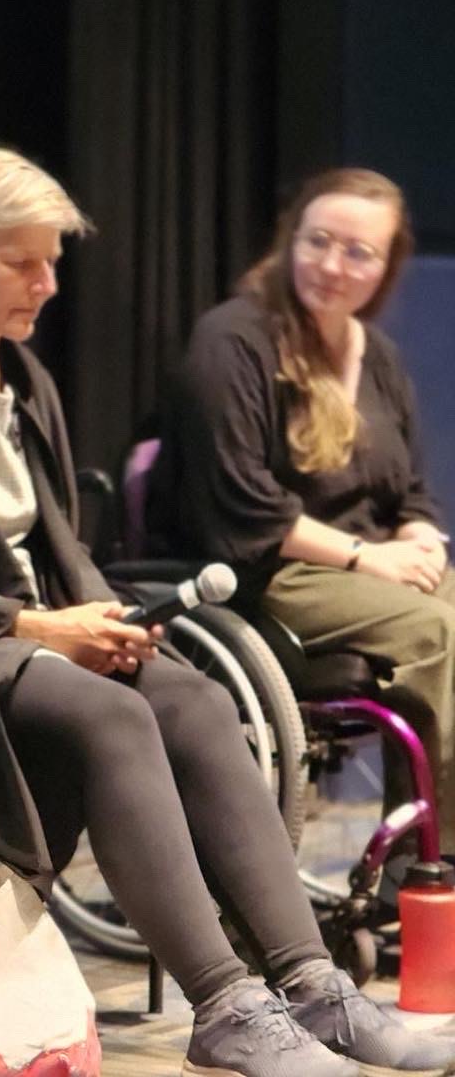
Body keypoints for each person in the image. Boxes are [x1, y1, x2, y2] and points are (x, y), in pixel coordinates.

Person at [0, 146, 455, 1077]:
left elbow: (58, 544)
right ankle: (224, 1004)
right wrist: (33, 626)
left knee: (193, 698)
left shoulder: (24, 380)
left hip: (25, 643)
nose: (48, 284)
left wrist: (101, 617)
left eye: (52, 261)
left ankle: (312, 983)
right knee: (113, 714)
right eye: (23, 263)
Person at [151, 167, 455, 850]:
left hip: (361, 569)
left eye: (358, 252)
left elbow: (410, 487)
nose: (332, 266)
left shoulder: (376, 356)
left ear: (386, 266)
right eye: (318, 242)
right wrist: (368, 557)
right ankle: (430, 865)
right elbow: (244, 505)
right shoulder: (233, 342)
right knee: (436, 632)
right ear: (291, 239)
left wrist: (418, 534)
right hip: (266, 574)